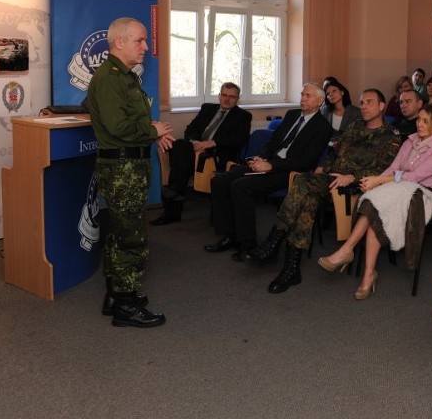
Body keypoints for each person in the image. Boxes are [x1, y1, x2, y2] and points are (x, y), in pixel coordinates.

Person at [244, 89, 401, 294]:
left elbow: (384, 169)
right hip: (332, 179)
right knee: (306, 194)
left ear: (382, 107)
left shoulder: (392, 136)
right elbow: (334, 152)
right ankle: (291, 267)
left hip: (357, 186)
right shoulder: (355, 126)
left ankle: (276, 241)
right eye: (362, 102)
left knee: (303, 185)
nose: (364, 106)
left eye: (369, 102)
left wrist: (353, 176)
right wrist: (324, 167)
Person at [84, 17, 175, 328]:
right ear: (119, 42)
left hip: (129, 164)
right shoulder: (110, 78)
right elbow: (118, 126)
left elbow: (125, 119)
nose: (146, 46)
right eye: (140, 40)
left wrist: (152, 133)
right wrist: (151, 129)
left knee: (121, 230)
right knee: (130, 235)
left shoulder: (124, 76)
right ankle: (126, 305)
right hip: (123, 167)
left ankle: (118, 293)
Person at [317, 103, 432, 300]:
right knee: (375, 209)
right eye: (419, 119)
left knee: (376, 206)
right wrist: (375, 181)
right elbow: (392, 168)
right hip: (397, 189)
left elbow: (414, 177)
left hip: (422, 196)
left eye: (425, 121)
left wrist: (379, 181)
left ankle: (348, 251)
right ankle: (367, 273)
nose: (419, 124)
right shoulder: (409, 142)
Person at [205, 83, 332, 258]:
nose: (303, 98)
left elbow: (305, 161)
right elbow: (273, 141)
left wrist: (272, 166)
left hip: (289, 172)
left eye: (308, 95)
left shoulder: (322, 127)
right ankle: (230, 235)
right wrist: (262, 157)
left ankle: (247, 243)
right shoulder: (292, 114)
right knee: (219, 181)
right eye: (302, 94)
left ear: (320, 101)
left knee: (241, 186)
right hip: (270, 163)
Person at [151, 82, 251, 226]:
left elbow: (239, 140)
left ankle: (173, 204)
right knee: (180, 144)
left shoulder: (243, 116)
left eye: (232, 97)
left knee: (180, 162)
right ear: (219, 96)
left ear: (237, 99)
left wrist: (212, 143)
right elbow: (190, 129)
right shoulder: (208, 108)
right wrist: (195, 143)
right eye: (224, 95)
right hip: (195, 150)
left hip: (217, 155)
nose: (227, 99)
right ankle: (174, 197)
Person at [321, 78, 360, 143]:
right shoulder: (325, 112)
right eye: (328, 93)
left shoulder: (356, 113)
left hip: (349, 150)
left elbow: (358, 137)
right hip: (329, 149)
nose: (331, 94)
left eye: (334, 91)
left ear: (342, 92)